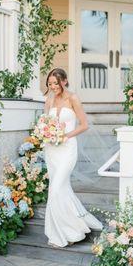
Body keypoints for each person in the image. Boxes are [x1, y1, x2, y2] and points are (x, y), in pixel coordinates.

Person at [44, 68, 103, 247]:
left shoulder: (73, 98)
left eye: (56, 83)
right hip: (51, 150)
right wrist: (46, 133)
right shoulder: (49, 99)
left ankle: (65, 233)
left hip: (67, 149)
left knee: (55, 189)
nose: (53, 86)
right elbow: (45, 122)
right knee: (60, 189)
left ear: (65, 81)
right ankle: (71, 229)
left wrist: (65, 135)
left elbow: (84, 125)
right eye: (50, 84)